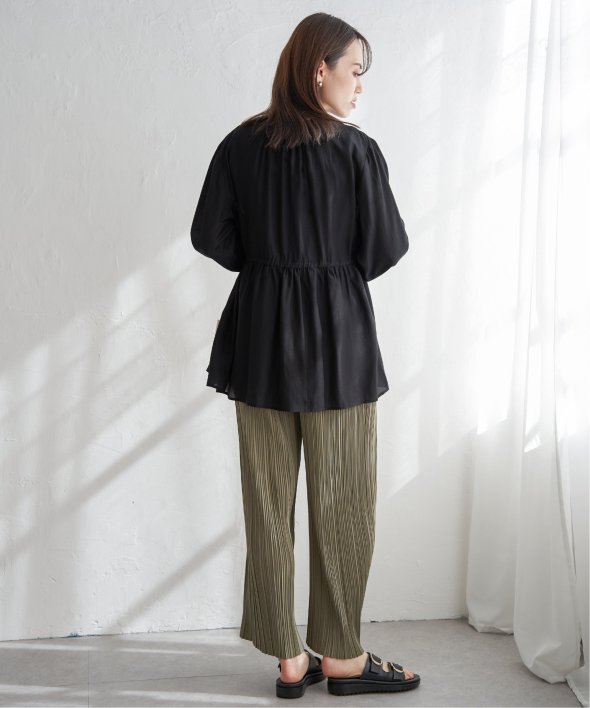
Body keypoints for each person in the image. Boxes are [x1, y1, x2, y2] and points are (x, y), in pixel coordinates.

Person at [190, 11, 420, 700]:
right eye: (355, 71)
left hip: (259, 338)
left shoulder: (239, 144)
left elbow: (209, 236)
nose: (360, 87)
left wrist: (270, 267)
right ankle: (342, 657)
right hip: (338, 343)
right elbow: (386, 248)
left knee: (267, 505)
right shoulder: (356, 152)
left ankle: (289, 659)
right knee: (343, 501)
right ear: (320, 70)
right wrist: (328, 271)